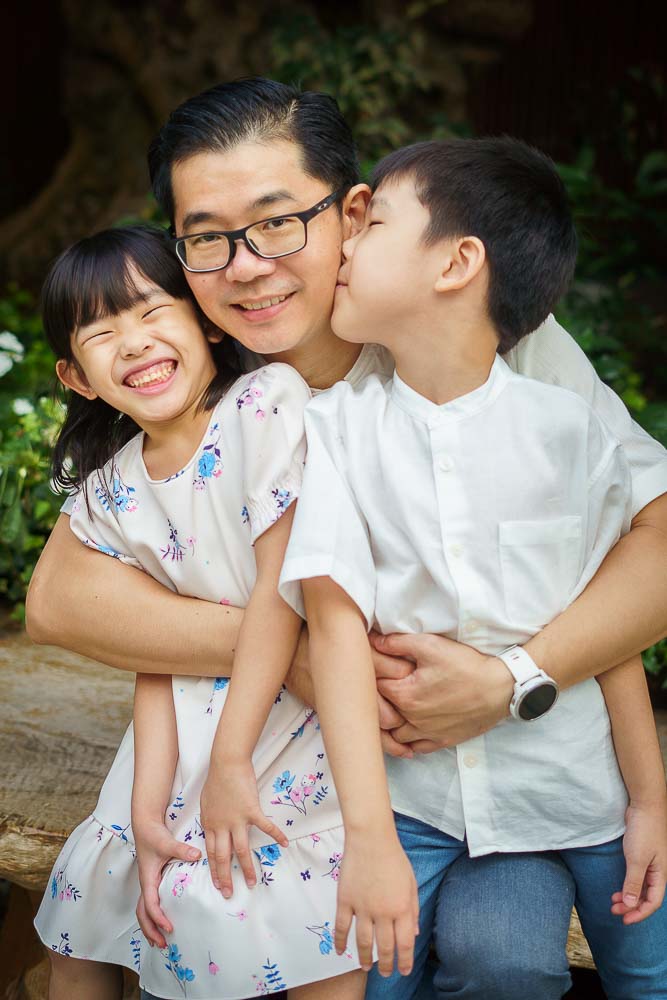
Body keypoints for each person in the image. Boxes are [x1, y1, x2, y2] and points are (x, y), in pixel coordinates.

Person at [26, 78, 667, 996]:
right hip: (303, 787)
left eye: (278, 221)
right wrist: (295, 648)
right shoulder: (199, 367)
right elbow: (60, 598)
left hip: (492, 794)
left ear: (351, 213)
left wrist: (510, 675)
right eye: (205, 236)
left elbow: (648, 532)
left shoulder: (477, 335)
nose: (246, 267)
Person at [279, 136, 667, 1000]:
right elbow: (334, 625)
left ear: (457, 263)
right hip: (413, 801)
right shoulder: (340, 430)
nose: (343, 245)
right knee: (368, 978)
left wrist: (650, 801)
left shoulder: (567, 429)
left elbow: (615, 620)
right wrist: (368, 836)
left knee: (648, 974)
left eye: (370, 223)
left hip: (574, 795)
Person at [34, 224, 405, 1000]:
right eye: (101, 334)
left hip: (290, 721)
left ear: (205, 319)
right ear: (76, 377)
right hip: (180, 737)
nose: (132, 344)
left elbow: (284, 593)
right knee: (107, 907)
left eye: (150, 312)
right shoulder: (110, 490)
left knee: (311, 933)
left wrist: (231, 760)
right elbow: (158, 650)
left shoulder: (262, 407)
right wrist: (142, 809)